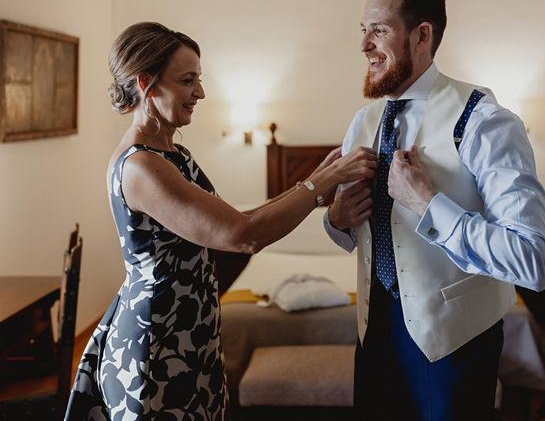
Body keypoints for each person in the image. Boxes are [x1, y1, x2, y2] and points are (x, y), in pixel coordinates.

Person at [64, 22, 377, 420]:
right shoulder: (141, 166)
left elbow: (237, 217)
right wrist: (323, 183)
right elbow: (241, 236)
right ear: (147, 84)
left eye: (199, 79)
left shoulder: (170, 154)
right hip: (158, 338)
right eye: (188, 80)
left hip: (189, 330)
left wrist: (311, 180)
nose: (201, 92)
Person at [324, 0, 545, 420]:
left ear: (422, 35)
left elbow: (533, 261)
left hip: (454, 346)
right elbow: (356, 234)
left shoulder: (486, 122)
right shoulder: (363, 122)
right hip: (373, 337)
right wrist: (336, 219)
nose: (364, 46)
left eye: (379, 31)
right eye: (363, 31)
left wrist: (430, 204)